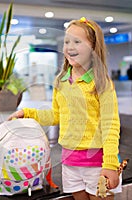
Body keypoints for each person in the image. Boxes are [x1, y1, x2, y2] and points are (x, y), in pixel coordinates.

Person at [8, 17, 121, 200]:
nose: (69, 47)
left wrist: (110, 164)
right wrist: (26, 113)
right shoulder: (61, 81)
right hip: (70, 162)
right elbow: (56, 115)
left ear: (93, 48)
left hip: (97, 163)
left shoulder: (102, 83)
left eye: (77, 41)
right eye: (67, 41)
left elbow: (111, 125)